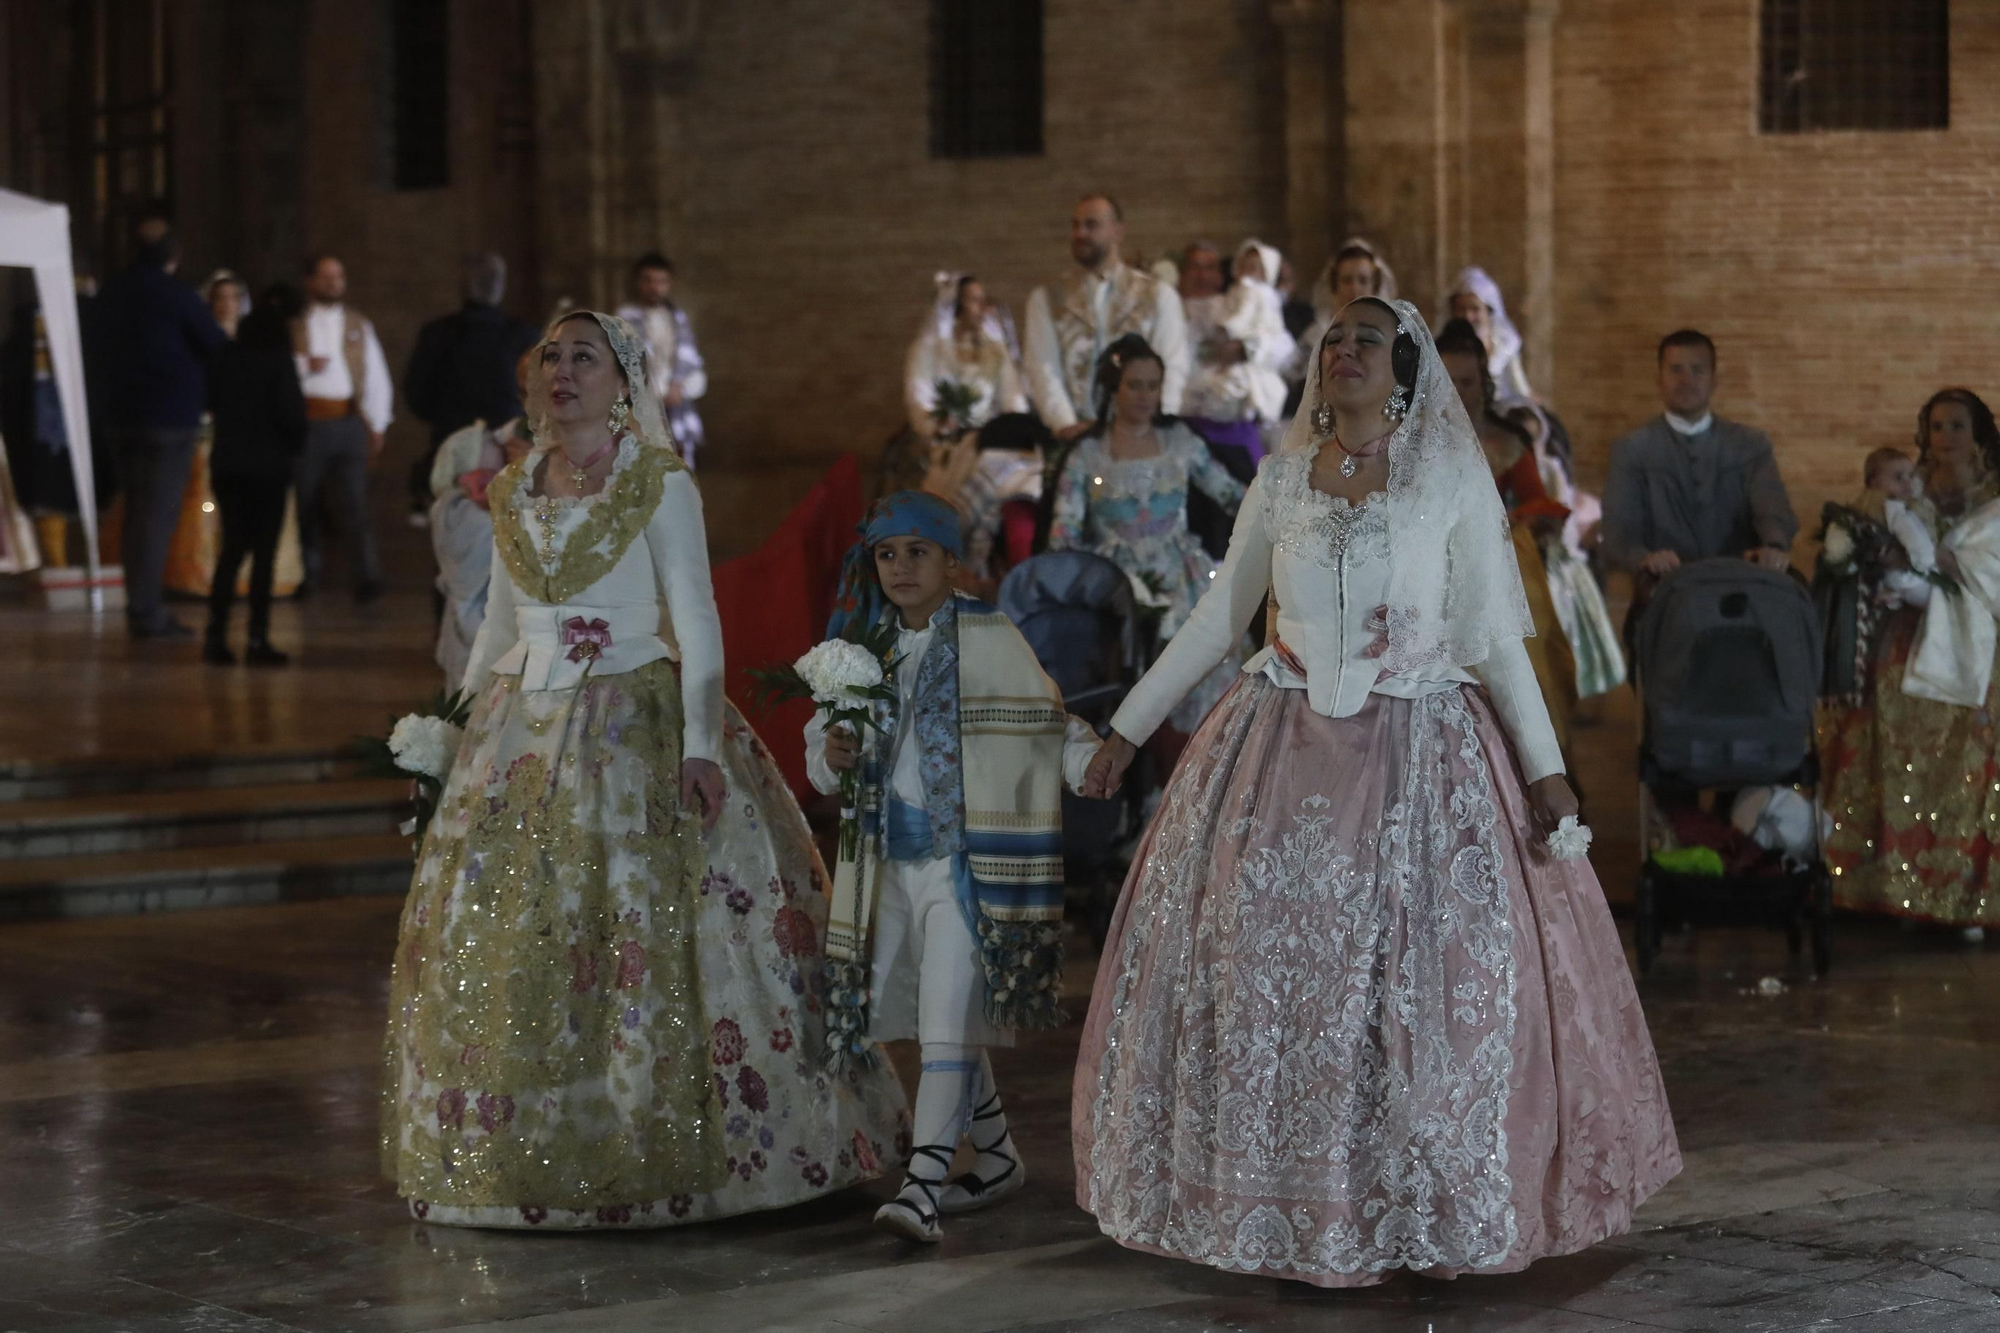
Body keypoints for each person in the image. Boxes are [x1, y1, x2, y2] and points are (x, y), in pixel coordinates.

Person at [1070, 295, 1680, 1287]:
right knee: (1272, 964)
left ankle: (1418, 1206)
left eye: (1366, 340)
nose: (1345, 351)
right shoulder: (1279, 480)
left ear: (1402, 370)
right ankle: (1287, 1206)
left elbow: (1488, 631)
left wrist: (1543, 767)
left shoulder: (1445, 477)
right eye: (1332, 340)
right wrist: (1125, 728)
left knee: (1416, 977)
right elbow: (1215, 619)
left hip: (1419, 750)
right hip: (1279, 750)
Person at [382, 310, 906, 1229]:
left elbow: (697, 622)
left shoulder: (661, 485)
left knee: (636, 924)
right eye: (552, 355)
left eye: (585, 356)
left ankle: (670, 1132)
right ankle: (518, 1137)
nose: (563, 371)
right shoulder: (512, 488)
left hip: (630, 712)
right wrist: (451, 743)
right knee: (515, 940)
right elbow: (496, 633)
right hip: (520, 732)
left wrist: (700, 746)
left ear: (624, 382)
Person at [804, 491, 1096, 1243]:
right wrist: (828, 755)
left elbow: (1044, 716)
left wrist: (1086, 761)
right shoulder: (863, 645)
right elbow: (824, 749)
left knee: (943, 1020)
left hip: (963, 861)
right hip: (883, 866)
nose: (901, 567)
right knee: (924, 1016)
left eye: (918, 552)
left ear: (952, 562)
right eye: (887, 553)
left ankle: (924, 1184)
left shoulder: (986, 635)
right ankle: (995, 1157)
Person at [1824, 390, 2000, 943]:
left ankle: (1962, 899)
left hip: (1974, 644)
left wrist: (1957, 563)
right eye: (1938, 426)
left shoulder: (1993, 493)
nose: (1947, 437)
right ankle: (1893, 890)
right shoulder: (1904, 484)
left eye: (1958, 426)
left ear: (1979, 433)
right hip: (1905, 641)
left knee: (1968, 771)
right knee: (1894, 758)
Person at [1047, 334, 1246, 753]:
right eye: (1134, 385)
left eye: (1152, 385)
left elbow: (1230, 494)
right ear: (1113, 389)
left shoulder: (1180, 443)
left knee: (1202, 647)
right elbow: (1063, 532)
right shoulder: (1086, 454)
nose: (1144, 395)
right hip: (1113, 576)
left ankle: (1193, 761)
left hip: (1181, 571)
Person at [1434, 319, 1577, 752]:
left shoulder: (1508, 440)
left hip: (1496, 560)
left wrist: (1517, 522)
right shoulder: (1408, 441)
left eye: (1468, 381)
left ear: (1485, 383)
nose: (1459, 391)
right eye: (1448, 381)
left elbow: (1536, 501)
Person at [1601, 329, 1798, 616]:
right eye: (1676, 370)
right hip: (1665, 599)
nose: (1686, 381)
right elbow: (1618, 530)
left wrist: (1774, 547)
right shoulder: (1633, 450)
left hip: (1741, 597)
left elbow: (1772, 509)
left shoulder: (1750, 445)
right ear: (1659, 380)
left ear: (1714, 380)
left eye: (1697, 370)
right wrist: (1644, 558)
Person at [93, 225, 227, 639]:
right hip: (167, 419)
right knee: (154, 518)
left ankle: (141, 604)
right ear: (174, 258)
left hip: (119, 416)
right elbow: (215, 344)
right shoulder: (177, 295)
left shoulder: (111, 292)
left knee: (135, 514)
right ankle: (146, 612)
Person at [1022, 195, 1189, 440]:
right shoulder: (1046, 299)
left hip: (1143, 436)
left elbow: (1173, 365)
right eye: (1075, 225)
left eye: (1091, 225)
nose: (1080, 233)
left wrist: (1156, 424)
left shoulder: (1159, 295)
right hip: (1074, 435)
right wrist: (1064, 423)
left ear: (1117, 232)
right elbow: (1042, 367)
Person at [202, 292, 309, 666]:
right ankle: (257, 638)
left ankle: (215, 636)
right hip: (269, 470)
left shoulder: (225, 360)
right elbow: (293, 417)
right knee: (264, 555)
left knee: (231, 551)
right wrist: (295, 447)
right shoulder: (279, 364)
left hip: (227, 467)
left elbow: (210, 403)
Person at [1503, 400, 1626, 698]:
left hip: (1548, 553)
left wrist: (1546, 530)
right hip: (1509, 549)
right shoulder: (1501, 462)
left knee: (1557, 608)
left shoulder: (1548, 468)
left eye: (1532, 438)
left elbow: (1559, 508)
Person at [426, 353, 536, 686]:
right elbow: (449, 510)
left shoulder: (599, 447)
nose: (530, 401)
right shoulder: (492, 444)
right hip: (489, 592)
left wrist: (536, 471)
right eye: (523, 391)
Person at [402, 252, 539, 519]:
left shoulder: (437, 333)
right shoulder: (525, 335)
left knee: (453, 536)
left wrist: (447, 421)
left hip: (453, 445)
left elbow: (417, 394)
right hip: (509, 450)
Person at [292, 253, 392, 603]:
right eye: (326, 276)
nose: (334, 283)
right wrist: (303, 365)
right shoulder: (294, 323)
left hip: (347, 422)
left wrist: (376, 423)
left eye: (339, 276)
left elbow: (376, 374)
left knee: (354, 503)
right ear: (310, 281)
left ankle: (366, 577)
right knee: (303, 502)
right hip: (307, 423)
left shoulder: (357, 324)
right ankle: (305, 575)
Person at [1181, 240, 1292, 465]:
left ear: (1221, 275)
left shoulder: (1238, 302)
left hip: (1234, 423)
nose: (1202, 275)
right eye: (1194, 267)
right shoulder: (1169, 308)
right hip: (1185, 423)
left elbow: (1283, 343)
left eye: (1209, 267)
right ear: (1182, 273)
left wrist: (1245, 349)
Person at [903, 272, 1027, 442]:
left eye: (984, 301)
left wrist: (1015, 426)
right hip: (946, 441)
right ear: (955, 307)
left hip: (988, 441)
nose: (983, 309)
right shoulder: (929, 350)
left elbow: (1012, 395)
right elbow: (919, 396)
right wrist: (938, 425)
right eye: (975, 301)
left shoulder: (995, 351)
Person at [614, 252, 708, 468]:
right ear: (638, 282)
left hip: (675, 395)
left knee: (679, 457)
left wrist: (676, 386)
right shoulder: (625, 316)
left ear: (669, 284)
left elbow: (688, 354)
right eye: (648, 280)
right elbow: (626, 356)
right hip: (641, 397)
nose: (655, 287)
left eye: (661, 281)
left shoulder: (678, 317)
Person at [1296, 239, 1398, 391]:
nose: (1355, 288)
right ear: (1335, 285)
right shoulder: (1315, 336)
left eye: (1363, 281)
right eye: (1347, 280)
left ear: (1374, 286)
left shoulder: (1391, 335)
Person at [1442, 266, 1533, 401]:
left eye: (1475, 309)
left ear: (1488, 311)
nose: (1468, 316)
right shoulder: (1444, 347)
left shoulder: (1505, 343)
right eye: (1462, 309)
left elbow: (1521, 389)